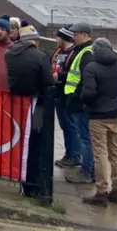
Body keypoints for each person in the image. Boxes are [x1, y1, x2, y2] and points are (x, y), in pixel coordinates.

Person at [5, 20, 54, 197]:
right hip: (35, 105)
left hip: (14, 104)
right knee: (34, 145)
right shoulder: (40, 57)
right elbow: (48, 82)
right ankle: (33, 184)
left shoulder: (9, 54)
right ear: (33, 40)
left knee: (17, 141)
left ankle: (19, 179)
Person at [80, 37, 117, 207]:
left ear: (95, 50)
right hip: (115, 114)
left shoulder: (92, 67)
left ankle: (101, 191)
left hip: (97, 115)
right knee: (116, 152)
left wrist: (84, 101)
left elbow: (89, 92)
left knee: (100, 153)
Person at [63, 21, 95, 184]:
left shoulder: (86, 53)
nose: (74, 37)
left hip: (80, 103)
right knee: (85, 137)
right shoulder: (81, 51)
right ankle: (89, 170)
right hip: (76, 101)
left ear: (84, 34)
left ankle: (86, 171)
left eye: (76, 35)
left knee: (85, 138)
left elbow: (85, 79)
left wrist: (77, 98)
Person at [51, 25, 81, 168]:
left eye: (58, 37)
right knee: (64, 125)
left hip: (67, 94)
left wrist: (59, 75)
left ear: (63, 38)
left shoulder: (73, 53)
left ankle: (74, 155)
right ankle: (68, 154)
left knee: (70, 126)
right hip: (56, 92)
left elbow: (74, 72)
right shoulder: (58, 51)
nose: (56, 39)